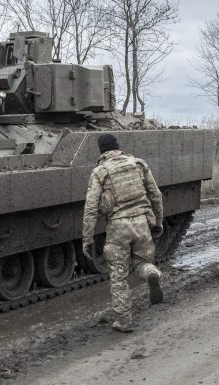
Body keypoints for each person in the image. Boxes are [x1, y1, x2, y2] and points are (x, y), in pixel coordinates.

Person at [82, 133, 164, 333]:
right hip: (142, 222)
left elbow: (91, 207)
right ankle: (151, 273)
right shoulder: (138, 164)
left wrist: (87, 237)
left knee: (119, 275)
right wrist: (158, 221)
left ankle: (124, 321)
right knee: (142, 262)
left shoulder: (100, 172)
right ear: (118, 147)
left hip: (118, 227)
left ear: (102, 151)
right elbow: (156, 194)